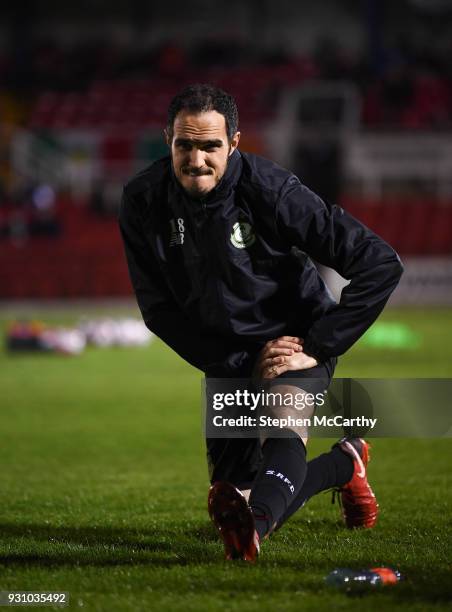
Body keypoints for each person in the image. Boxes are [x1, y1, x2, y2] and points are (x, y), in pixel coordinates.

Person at [119, 84, 403, 562]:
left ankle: (254, 536)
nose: (196, 159)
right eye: (184, 145)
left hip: (292, 339)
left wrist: (317, 343)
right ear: (167, 139)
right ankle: (343, 464)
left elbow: (379, 262)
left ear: (233, 143)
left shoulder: (270, 190)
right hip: (227, 357)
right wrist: (236, 363)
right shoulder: (143, 200)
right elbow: (158, 308)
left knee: (281, 431)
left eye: (210, 146)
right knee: (238, 496)